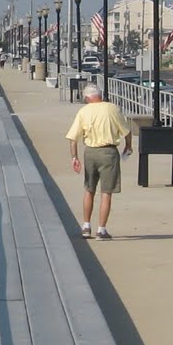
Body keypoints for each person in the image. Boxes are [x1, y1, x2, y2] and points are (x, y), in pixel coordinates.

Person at [65, 82, 134, 239]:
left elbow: (73, 138)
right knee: (106, 192)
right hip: (109, 152)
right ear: (100, 95)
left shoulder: (83, 111)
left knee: (89, 189)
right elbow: (126, 131)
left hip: (90, 152)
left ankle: (86, 226)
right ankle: (101, 230)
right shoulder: (112, 108)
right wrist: (128, 146)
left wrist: (74, 157)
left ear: (87, 98)